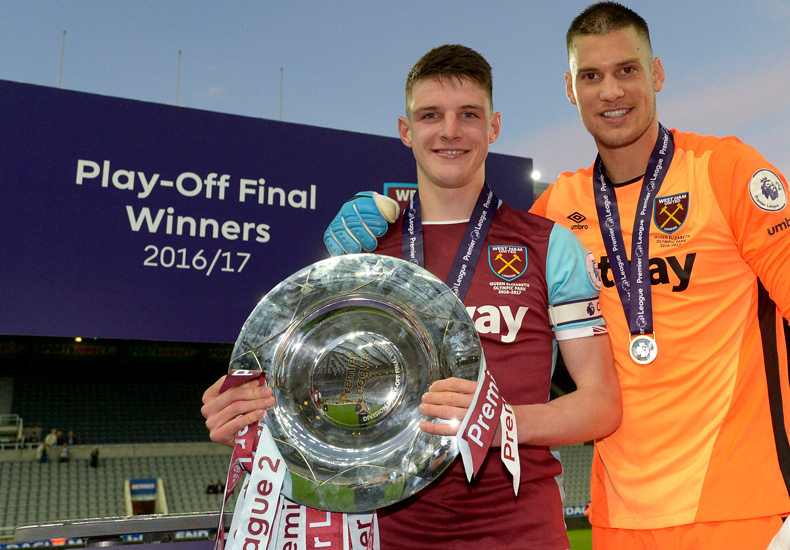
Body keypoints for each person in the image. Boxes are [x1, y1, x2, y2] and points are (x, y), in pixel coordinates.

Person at [322, 4, 790, 549]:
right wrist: (391, 210)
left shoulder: (726, 171)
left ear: (656, 74)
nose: (610, 91)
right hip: (617, 522)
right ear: (570, 88)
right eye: (591, 75)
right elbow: (473, 232)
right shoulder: (560, 209)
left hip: (744, 511)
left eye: (627, 70)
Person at [202, 44, 621, 549]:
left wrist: (502, 422)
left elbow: (602, 405)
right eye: (430, 115)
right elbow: (303, 380)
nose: (450, 131)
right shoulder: (363, 248)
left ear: (494, 127)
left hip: (519, 528)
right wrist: (244, 411)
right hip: (384, 531)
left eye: (469, 114)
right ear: (406, 130)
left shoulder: (549, 244)